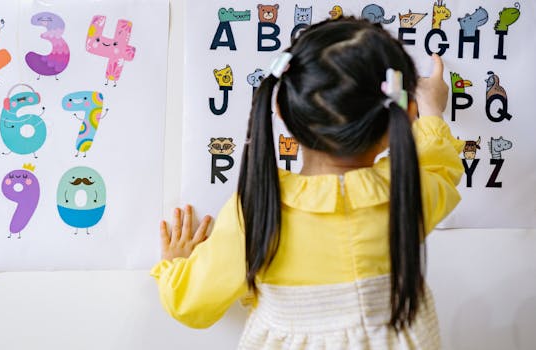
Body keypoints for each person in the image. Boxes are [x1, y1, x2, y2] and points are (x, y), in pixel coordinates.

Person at [151, 18, 465, 349]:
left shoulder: (257, 211)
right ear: (402, 114)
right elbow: (440, 167)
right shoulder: (408, 191)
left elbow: (190, 303)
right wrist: (431, 113)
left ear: (281, 110)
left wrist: (175, 264)